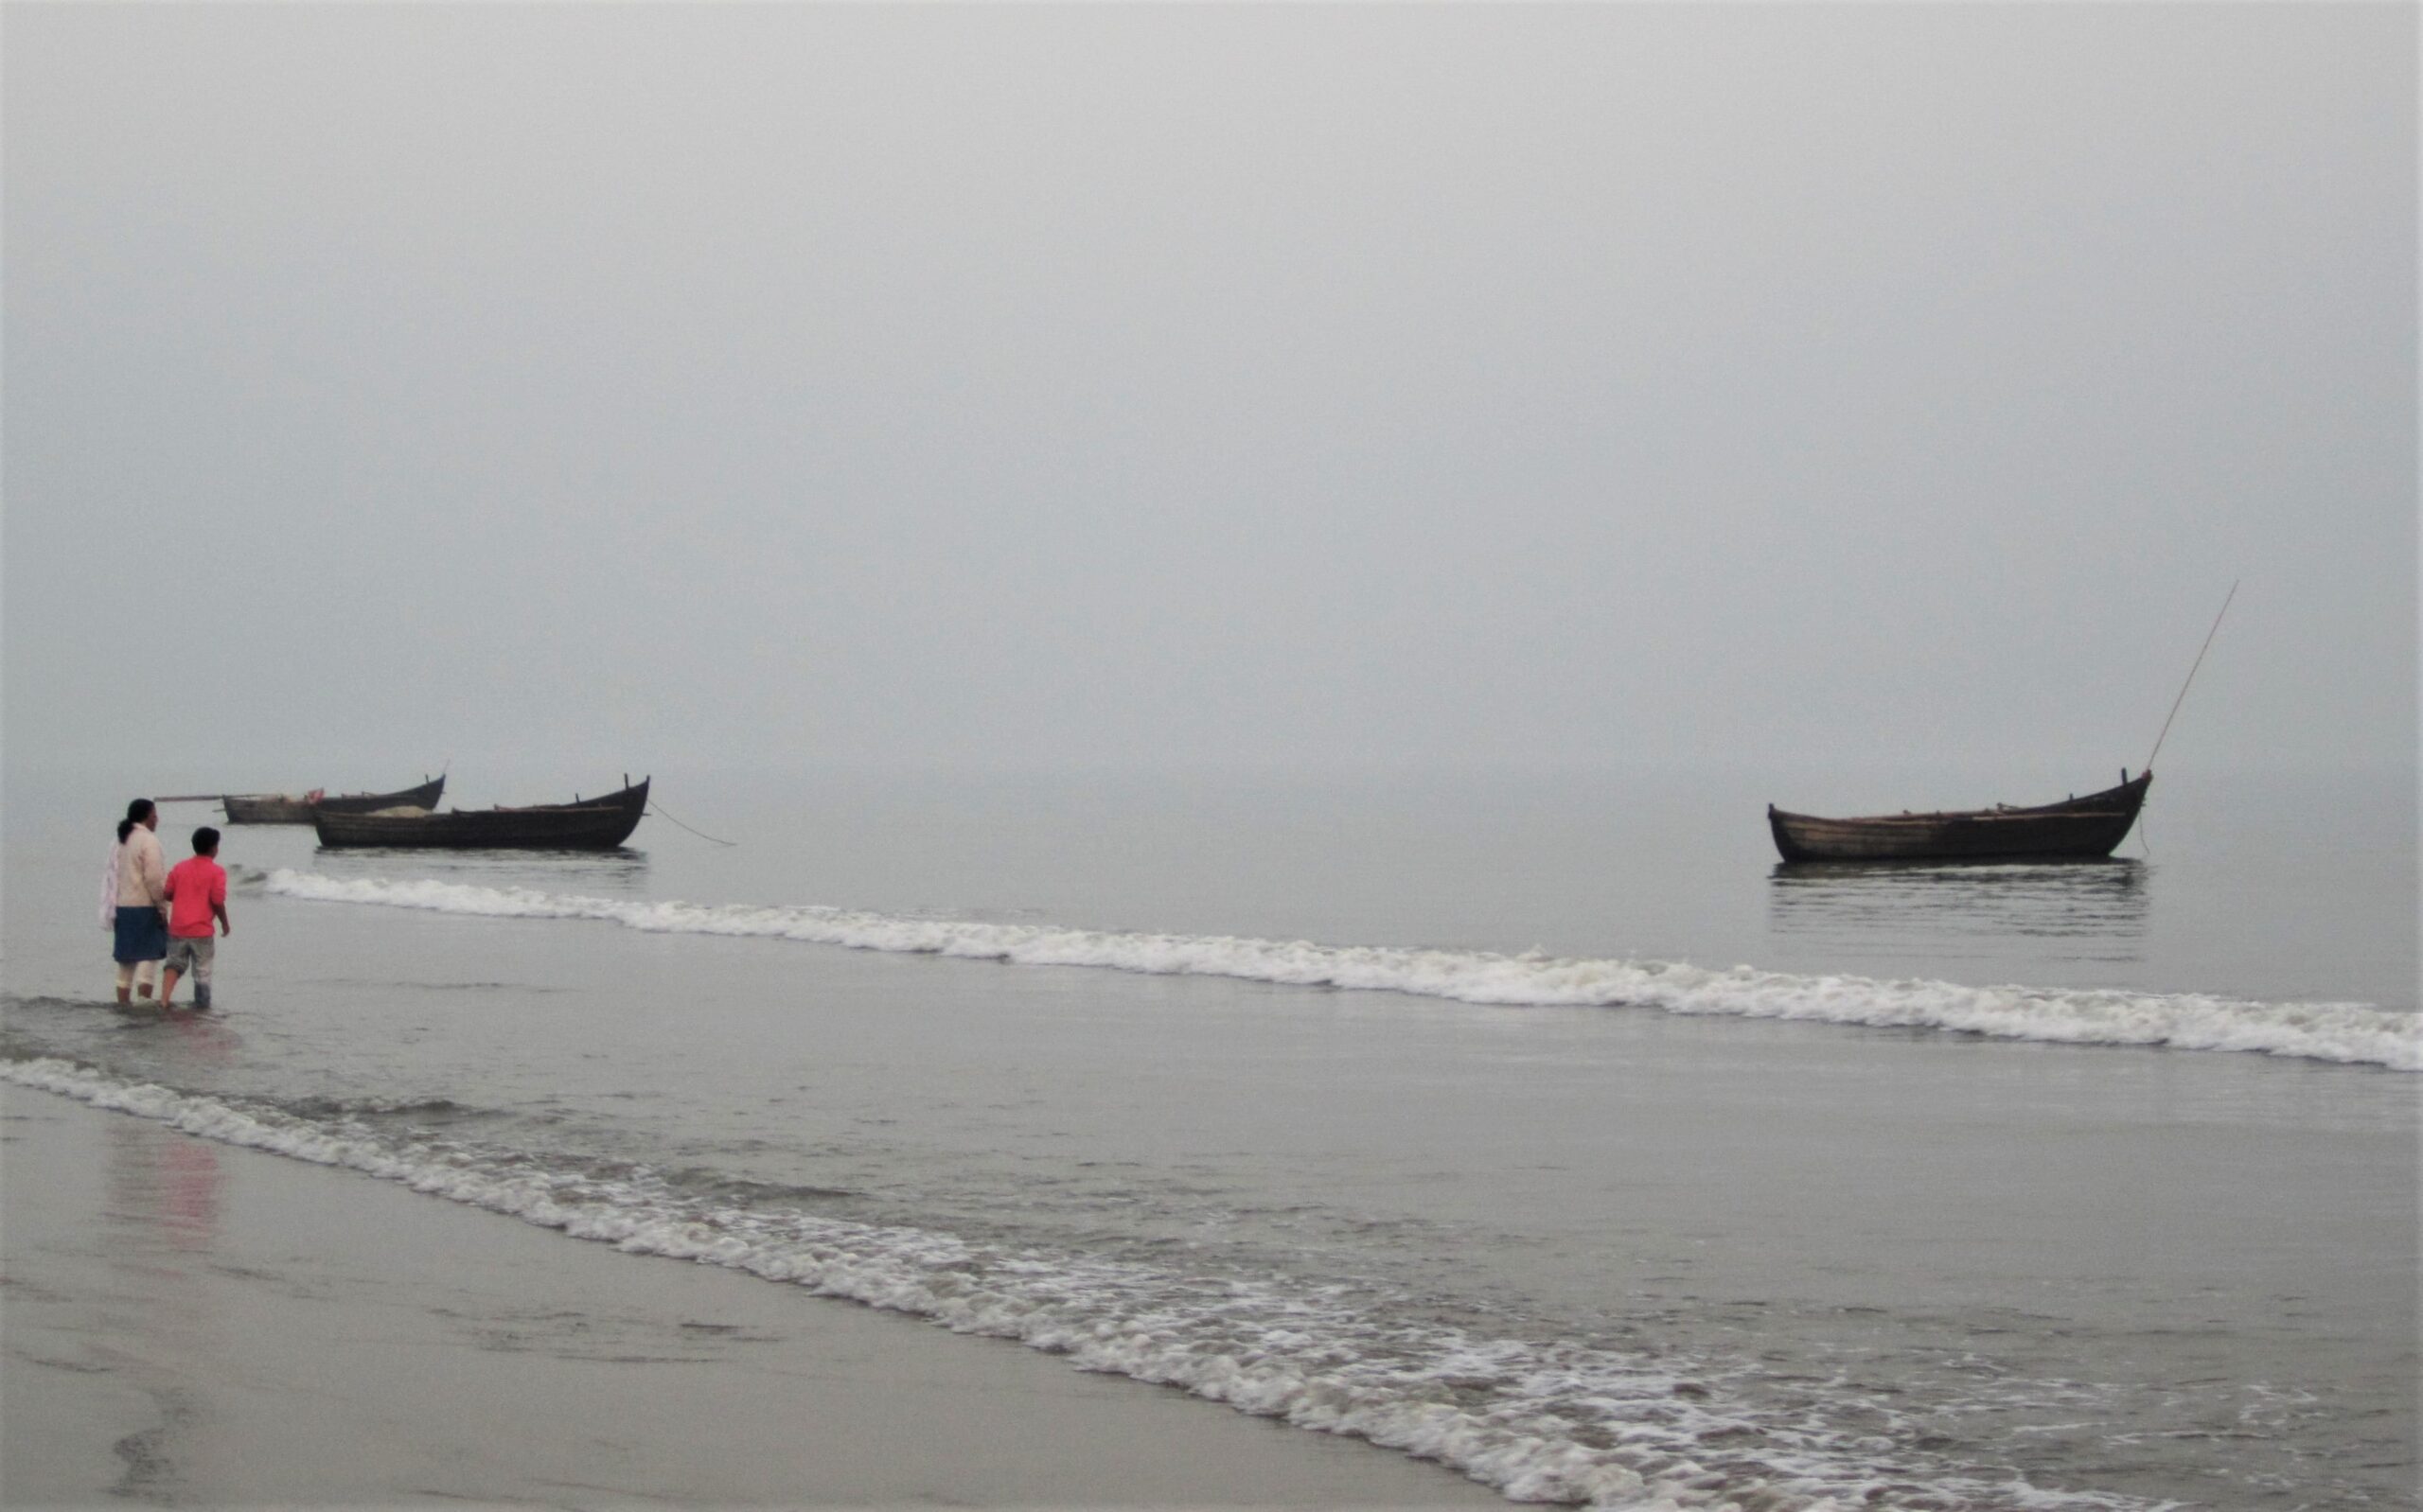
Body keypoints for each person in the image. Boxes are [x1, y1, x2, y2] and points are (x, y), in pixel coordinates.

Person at [159, 826, 231, 1011]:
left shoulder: (179, 867)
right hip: (201, 930)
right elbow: (217, 900)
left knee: (174, 964)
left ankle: (164, 1000)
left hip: (178, 927)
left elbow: (167, 893)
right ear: (214, 848)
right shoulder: (217, 872)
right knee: (202, 972)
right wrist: (224, 922)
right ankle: (201, 1009)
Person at [110, 800, 168, 1004]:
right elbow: (153, 877)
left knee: (126, 962)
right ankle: (144, 1006)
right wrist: (162, 906)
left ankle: (122, 1006)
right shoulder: (148, 840)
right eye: (154, 815)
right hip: (144, 906)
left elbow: (112, 875)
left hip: (123, 906)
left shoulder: (122, 839)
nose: (157, 819)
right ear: (146, 816)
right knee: (148, 958)